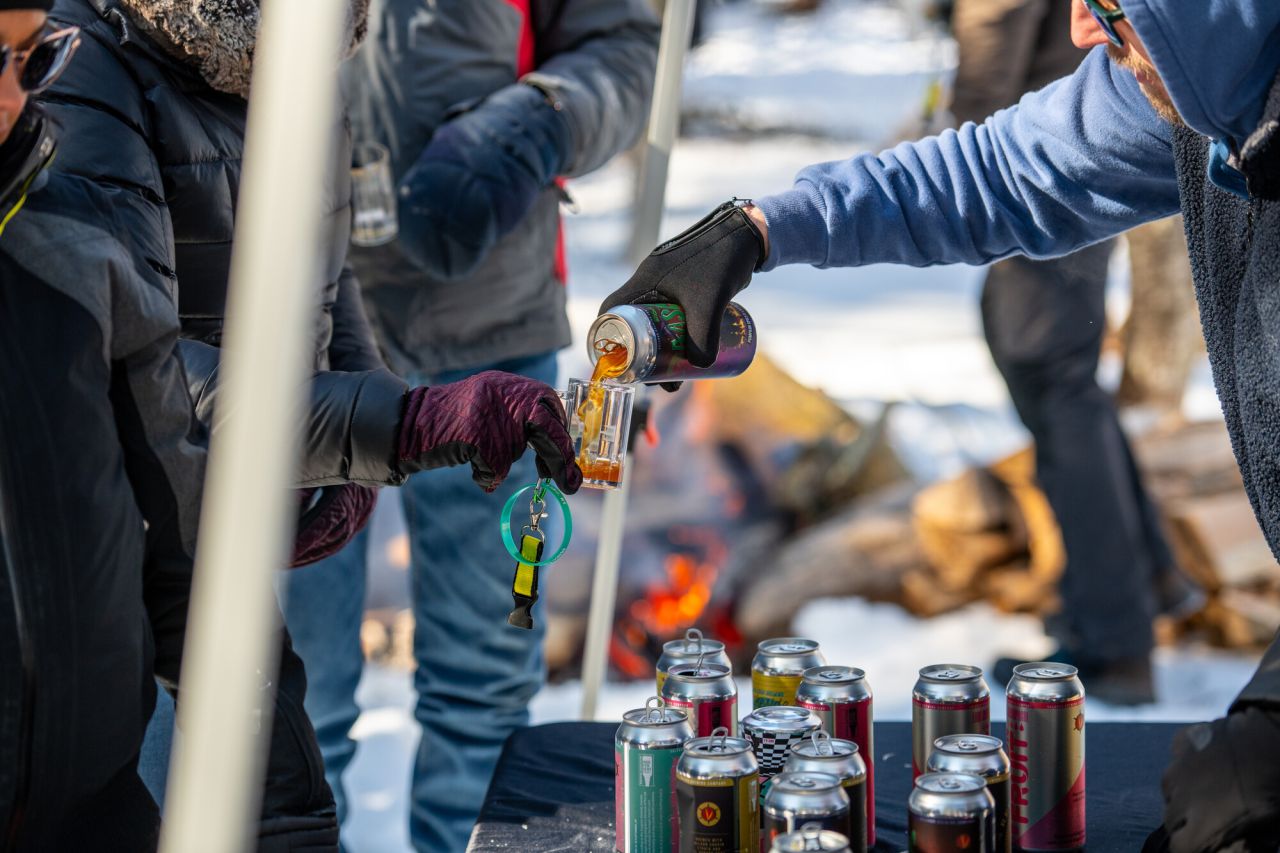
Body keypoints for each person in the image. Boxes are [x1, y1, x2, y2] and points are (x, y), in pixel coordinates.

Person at [603, 0, 1280, 847]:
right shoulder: (1198, 82)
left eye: (1107, 5)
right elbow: (997, 171)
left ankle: (1120, 628)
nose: (1079, 31)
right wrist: (757, 230)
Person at [20, 0, 579, 847]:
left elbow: (325, 255)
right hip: (144, 563)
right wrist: (403, 423)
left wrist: (360, 395)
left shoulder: (303, 34)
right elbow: (140, 368)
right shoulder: (81, 67)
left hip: (273, 485)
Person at [280, 1, 659, 849]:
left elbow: (627, 46)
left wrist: (540, 119)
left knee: (484, 681)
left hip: (488, 318)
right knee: (289, 683)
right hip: (279, 319)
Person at [948, 0, 1192, 704]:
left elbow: (995, 18)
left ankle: (1116, 640)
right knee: (1059, 376)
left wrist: (973, 149)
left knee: (1050, 373)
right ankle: (1150, 578)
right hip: (1066, 131)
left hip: (1048, 149)